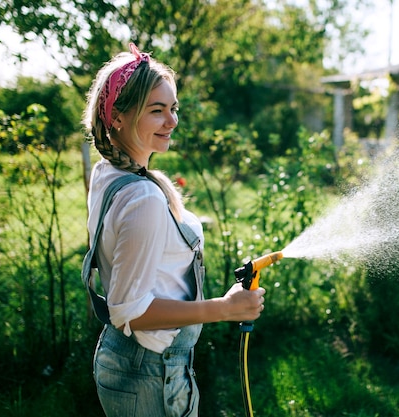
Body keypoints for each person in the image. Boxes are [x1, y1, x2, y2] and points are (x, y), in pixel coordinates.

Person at [82, 43, 266, 417]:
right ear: (117, 116)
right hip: (150, 372)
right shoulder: (142, 197)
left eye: (173, 108)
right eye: (156, 110)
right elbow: (130, 313)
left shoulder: (109, 172)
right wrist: (225, 309)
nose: (172, 121)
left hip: (134, 364)